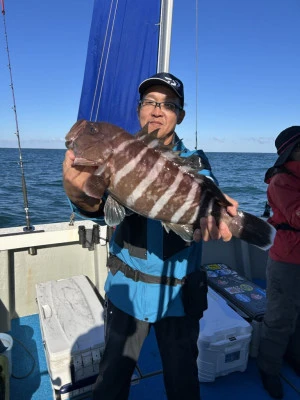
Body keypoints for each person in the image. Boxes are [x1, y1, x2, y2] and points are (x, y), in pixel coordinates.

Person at [63, 72, 238, 400]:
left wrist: (218, 210)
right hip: (127, 294)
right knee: (112, 379)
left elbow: (203, 183)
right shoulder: (116, 151)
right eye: (149, 103)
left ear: (180, 116)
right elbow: (94, 206)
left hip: (180, 299)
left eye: (168, 105)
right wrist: (77, 192)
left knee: (183, 380)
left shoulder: (195, 161)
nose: (157, 111)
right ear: (139, 110)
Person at [257, 126, 300, 399]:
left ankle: (293, 355)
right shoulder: (281, 181)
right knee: (280, 318)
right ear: (293, 151)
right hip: (287, 261)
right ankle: (268, 368)